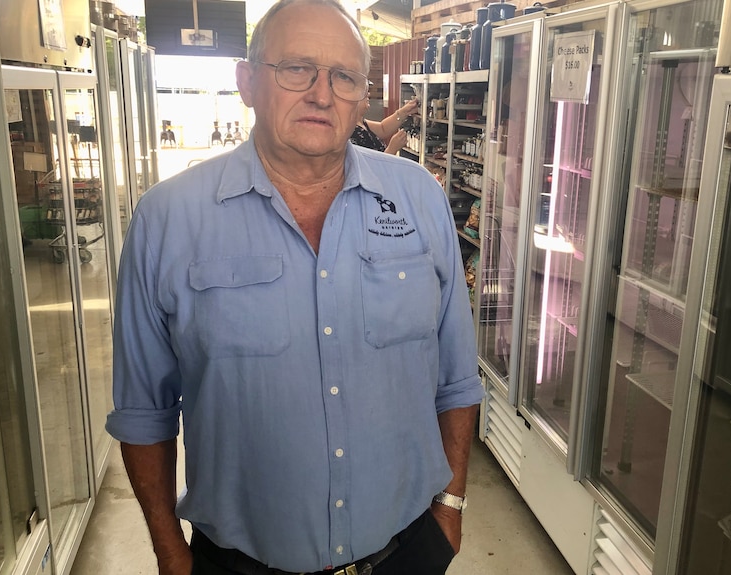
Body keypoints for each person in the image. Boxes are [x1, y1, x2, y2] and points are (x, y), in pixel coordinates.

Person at [105, 1, 483, 574]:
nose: (322, 93)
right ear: (247, 81)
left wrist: (450, 511)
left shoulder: (418, 199)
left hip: (404, 555)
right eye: (296, 68)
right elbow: (143, 410)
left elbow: (456, 379)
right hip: (239, 563)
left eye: (344, 76)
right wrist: (169, 551)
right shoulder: (168, 220)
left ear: (362, 94)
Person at [350, 93, 418, 155]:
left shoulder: (361, 123)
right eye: (363, 91)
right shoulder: (350, 133)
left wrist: (404, 112)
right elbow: (369, 166)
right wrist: (392, 149)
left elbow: (383, 128)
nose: (368, 94)